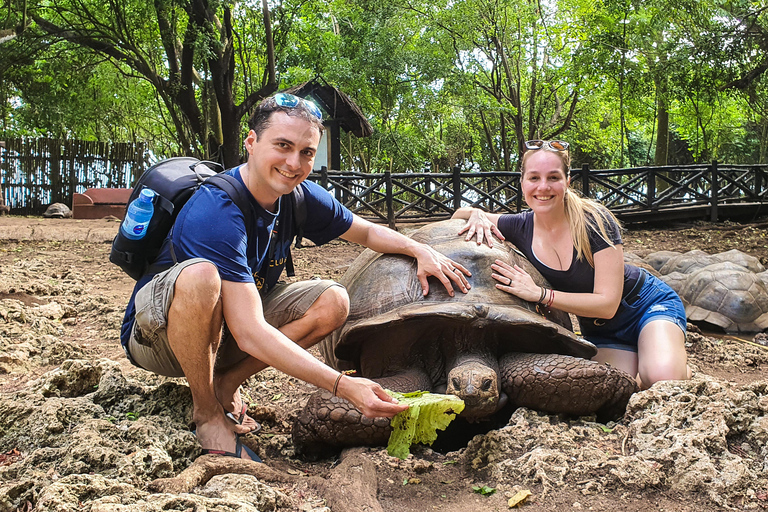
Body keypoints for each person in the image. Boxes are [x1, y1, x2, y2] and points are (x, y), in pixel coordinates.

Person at [119, 93, 471, 460]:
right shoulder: (216, 210)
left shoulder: (297, 196)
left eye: (306, 152)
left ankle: (225, 384)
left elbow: (365, 232)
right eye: (283, 146)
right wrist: (342, 385)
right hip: (159, 338)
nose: (294, 163)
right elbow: (250, 332)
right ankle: (206, 412)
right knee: (201, 277)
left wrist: (420, 250)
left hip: (227, 327)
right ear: (252, 143)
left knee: (332, 300)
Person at [451, 139, 690, 390]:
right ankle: (652, 357)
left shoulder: (594, 221)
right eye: (534, 178)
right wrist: (476, 213)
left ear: (567, 180)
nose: (543, 187)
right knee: (612, 388)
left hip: (645, 305)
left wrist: (541, 294)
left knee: (662, 379)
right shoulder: (520, 226)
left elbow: (607, 305)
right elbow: (458, 215)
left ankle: (676, 366)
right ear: (522, 182)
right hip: (599, 330)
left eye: (553, 177)